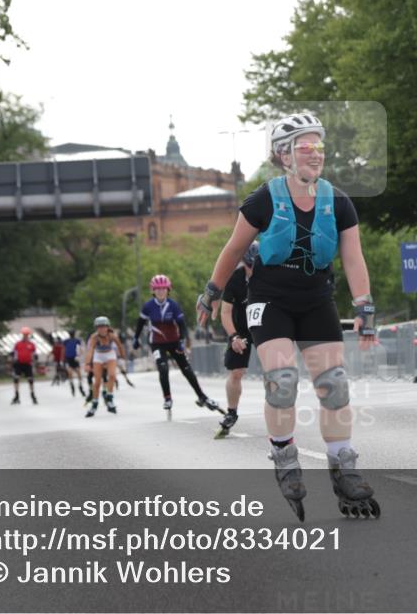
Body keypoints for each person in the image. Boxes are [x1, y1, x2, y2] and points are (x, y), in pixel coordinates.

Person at [197, 112, 380, 521]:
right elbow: (232, 250)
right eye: (305, 146)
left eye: (320, 146)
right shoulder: (263, 199)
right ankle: (284, 456)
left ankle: (343, 467)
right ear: (284, 155)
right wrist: (212, 291)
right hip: (270, 298)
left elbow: (353, 258)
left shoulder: (339, 202)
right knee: (281, 381)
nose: (315, 154)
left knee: (333, 385)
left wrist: (364, 307)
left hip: (316, 297)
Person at [134, 274, 221, 420]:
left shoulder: (173, 305)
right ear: (153, 291)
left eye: (163, 289)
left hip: (174, 341)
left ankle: (202, 396)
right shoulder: (148, 306)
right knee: (163, 368)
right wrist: (136, 339)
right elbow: (140, 324)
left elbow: (182, 326)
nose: (161, 292)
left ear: (168, 290)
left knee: (186, 369)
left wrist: (182, 340)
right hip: (157, 343)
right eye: (157, 289)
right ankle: (167, 398)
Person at [214, 241, 259, 439]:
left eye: (255, 266)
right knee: (237, 372)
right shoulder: (235, 278)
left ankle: (280, 408)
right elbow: (225, 312)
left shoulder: (270, 277)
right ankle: (231, 412)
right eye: (248, 266)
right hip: (241, 328)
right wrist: (233, 336)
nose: (251, 270)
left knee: (276, 369)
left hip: (266, 325)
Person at [83, 316, 127, 417]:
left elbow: (120, 346)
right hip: (98, 356)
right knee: (97, 382)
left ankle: (110, 398)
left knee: (112, 375)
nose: (101, 329)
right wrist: (87, 364)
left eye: (103, 327)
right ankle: (94, 404)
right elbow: (90, 351)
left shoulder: (112, 335)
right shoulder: (94, 337)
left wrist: (123, 357)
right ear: (96, 328)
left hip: (109, 354)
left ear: (107, 327)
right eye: (99, 327)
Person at [10, 326, 38, 405]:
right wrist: (13, 360)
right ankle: (16, 395)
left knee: (30, 380)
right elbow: (14, 353)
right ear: (22, 335)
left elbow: (34, 354)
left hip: (27, 364)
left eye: (27, 335)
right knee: (16, 379)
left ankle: (32, 395)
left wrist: (35, 360)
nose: (25, 336)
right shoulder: (18, 344)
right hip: (19, 363)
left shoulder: (31, 344)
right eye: (24, 335)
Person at [63, 329, 86, 397]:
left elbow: (81, 349)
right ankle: (72, 385)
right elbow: (64, 349)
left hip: (75, 358)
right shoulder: (66, 341)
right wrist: (63, 358)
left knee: (79, 372)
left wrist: (79, 355)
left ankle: (80, 386)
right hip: (69, 358)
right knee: (70, 373)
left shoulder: (77, 340)